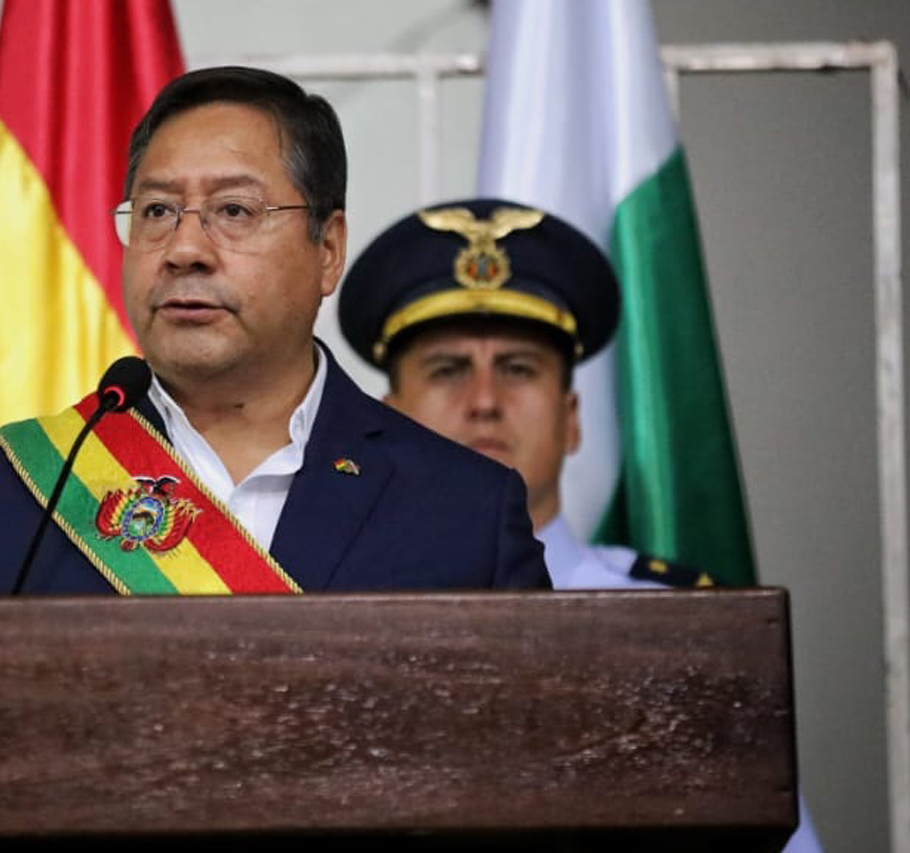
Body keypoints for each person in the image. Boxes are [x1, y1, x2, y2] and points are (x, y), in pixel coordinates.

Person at [0, 68, 549, 597]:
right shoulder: (7, 499)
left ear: (328, 249)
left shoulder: (462, 511)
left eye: (234, 210)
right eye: (157, 211)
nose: (184, 249)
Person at [337, 196, 824, 851]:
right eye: (448, 370)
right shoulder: (327, 615)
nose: (485, 401)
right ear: (388, 421)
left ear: (571, 418)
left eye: (518, 369)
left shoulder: (682, 631)